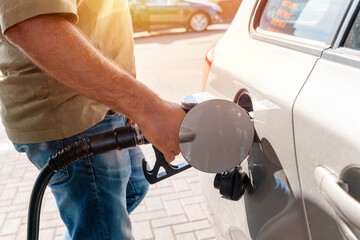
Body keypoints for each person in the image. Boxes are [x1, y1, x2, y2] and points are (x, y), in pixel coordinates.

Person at [0, 0, 185, 239]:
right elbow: (32, 25)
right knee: (104, 232)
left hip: (103, 104)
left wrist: (125, 100)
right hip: (71, 118)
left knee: (134, 187)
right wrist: (147, 108)